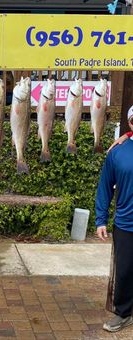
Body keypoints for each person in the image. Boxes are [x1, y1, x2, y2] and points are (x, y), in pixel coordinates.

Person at [96, 105, 133, 332]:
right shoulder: (117, 152)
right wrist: (101, 219)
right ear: (130, 122)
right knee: (125, 271)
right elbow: (105, 187)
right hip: (126, 224)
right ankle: (123, 313)